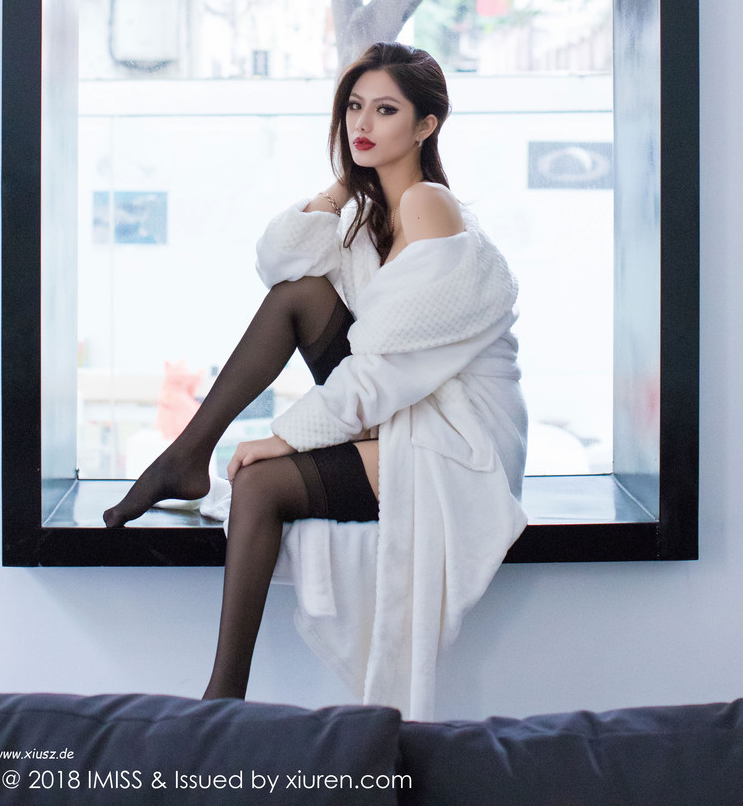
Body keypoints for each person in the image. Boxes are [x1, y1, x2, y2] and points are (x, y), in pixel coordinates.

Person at [104, 42, 528, 719]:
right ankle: (186, 455)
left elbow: (390, 364)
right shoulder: (368, 215)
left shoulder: (429, 205)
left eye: (385, 110)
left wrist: (285, 438)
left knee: (260, 482)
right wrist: (342, 187)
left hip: (454, 435)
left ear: (425, 125)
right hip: (400, 405)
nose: (363, 122)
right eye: (355, 106)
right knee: (299, 294)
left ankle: (221, 699)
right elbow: (280, 261)